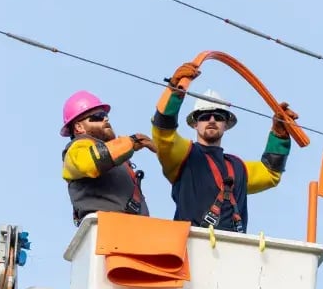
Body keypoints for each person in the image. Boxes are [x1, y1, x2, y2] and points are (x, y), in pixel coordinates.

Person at [150, 62, 299, 233]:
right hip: (192, 246)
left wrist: (278, 135)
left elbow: (270, 172)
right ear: (195, 124)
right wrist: (174, 92)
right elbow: (163, 134)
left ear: (226, 124)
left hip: (232, 249)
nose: (212, 120)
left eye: (219, 117)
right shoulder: (185, 155)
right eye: (205, 116)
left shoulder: (238, 167)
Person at [60, 90, 158, 226]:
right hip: (106, 229)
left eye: (105, 115)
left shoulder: (116, 156)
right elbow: (88, 163)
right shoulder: (76, 149)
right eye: (98, 116)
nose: (105, 119)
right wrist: (128, 143)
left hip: (131, 230)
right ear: (79, 127)